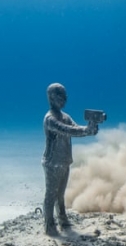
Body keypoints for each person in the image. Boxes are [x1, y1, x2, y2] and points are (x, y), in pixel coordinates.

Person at [42, 83, 98, 235]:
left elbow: (75, 128)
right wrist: (87, 130)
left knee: (60, 195)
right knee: (51, 195)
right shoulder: (50, 119)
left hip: (64, 160)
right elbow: (68, 130)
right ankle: (49, 226)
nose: (64, 100)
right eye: (61, 96)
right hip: (53, 162)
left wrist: (88, 130)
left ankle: (63, 221)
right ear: (52, 97)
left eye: (65, 96)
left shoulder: (65, 117)